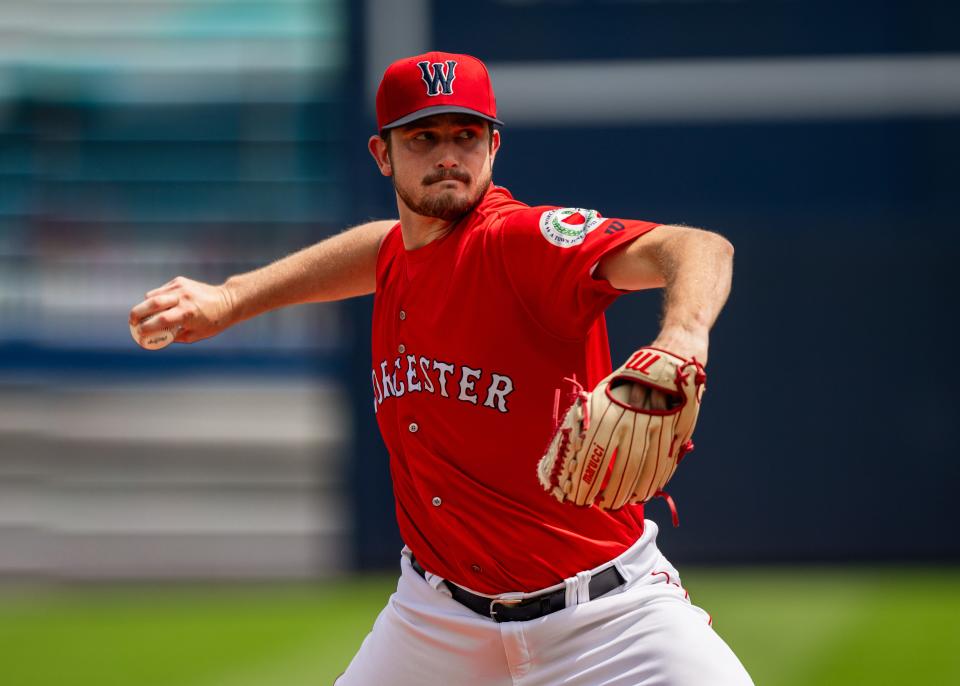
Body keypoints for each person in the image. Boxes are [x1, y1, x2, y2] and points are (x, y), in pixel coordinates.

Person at [130, 51, 752, 685]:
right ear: (382, 154)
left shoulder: (525, 242)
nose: (448, 155)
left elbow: (698, 247)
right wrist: (232, 297)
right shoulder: (396, 254)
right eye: (423, 137)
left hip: (607, 620)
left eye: (466, 135)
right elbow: (377, 243)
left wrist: (682, 337)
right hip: (436, 621)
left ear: (493, 146)